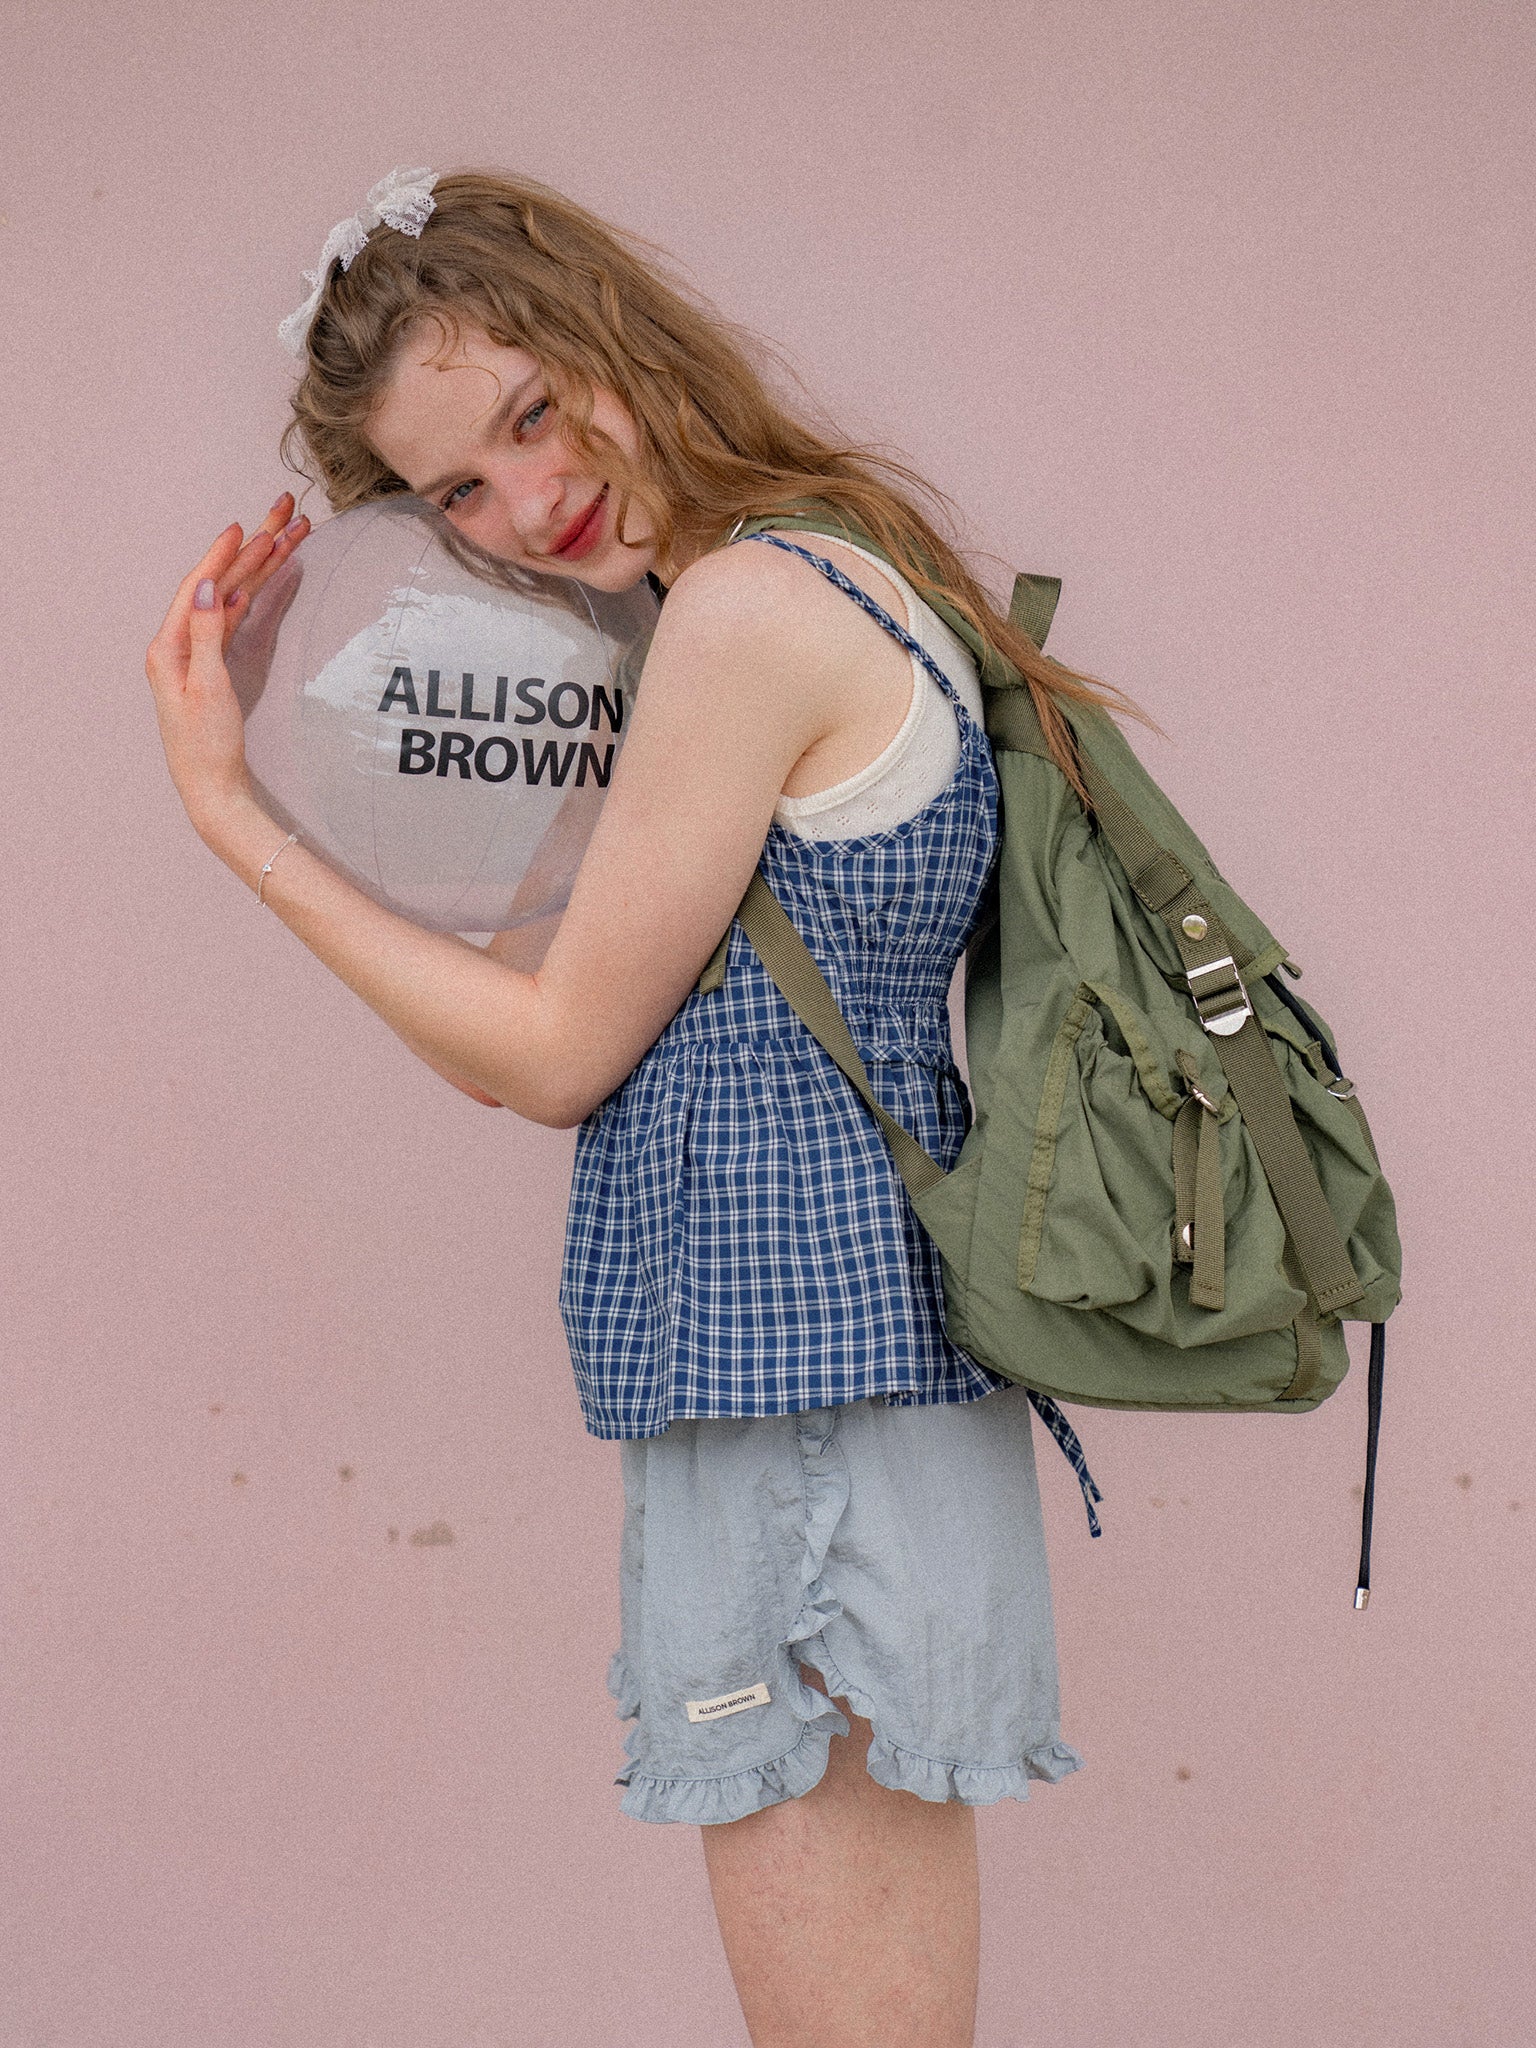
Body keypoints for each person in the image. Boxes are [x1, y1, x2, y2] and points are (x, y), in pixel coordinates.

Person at [145, 167, 1139, 2048]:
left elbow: (552, 1058)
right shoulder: (766, 576)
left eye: (534, 411)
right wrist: (314, 756)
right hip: (814, 1373)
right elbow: (540, 1039)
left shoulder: (748, 613)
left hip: (808, 1402)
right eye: (454, 492)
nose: (528, 503)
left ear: (616, 333)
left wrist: (226, 815)